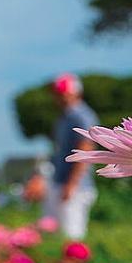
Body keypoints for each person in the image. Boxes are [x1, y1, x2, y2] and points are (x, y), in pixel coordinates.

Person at [37, 73, 98, 240]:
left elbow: (86, 149)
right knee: (53, 232)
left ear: (76, 93)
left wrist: (72, 184)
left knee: (72, 235)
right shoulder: (63, 118)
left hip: (75, 186)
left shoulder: (82, 115)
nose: (58, 97)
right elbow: (57, 153)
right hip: (60, 183)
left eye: (62, 93)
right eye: (56, 93)